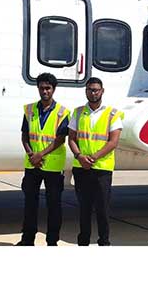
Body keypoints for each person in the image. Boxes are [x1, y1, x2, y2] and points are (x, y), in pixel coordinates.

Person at [68, 77, 123, 246]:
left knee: (102, 209)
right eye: (90, 89)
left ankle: (104, 242)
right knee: (84, 208)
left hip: (101, 169)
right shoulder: (77, 112)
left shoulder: (112, 114)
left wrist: (94, 157)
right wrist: (79, 156)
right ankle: (83, 241)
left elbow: (113, 141)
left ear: (102, 91)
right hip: (81, 168)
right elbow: (71, 139)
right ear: (86, 91)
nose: (93, 93)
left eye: (96, 90)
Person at [16, 72, 70, 246]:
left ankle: (52, 241)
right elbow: (25, 136)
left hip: (52, 167)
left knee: (54, 205)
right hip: (32, 165)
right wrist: (32, 154)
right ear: (38, 89)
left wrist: (41, 154)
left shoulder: (63, 112)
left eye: (48, 88)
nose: (44, 91)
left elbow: (60, 139)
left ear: (53, 89)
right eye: (41, 88)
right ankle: (27, 239)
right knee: (30, 204)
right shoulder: (29, 110)